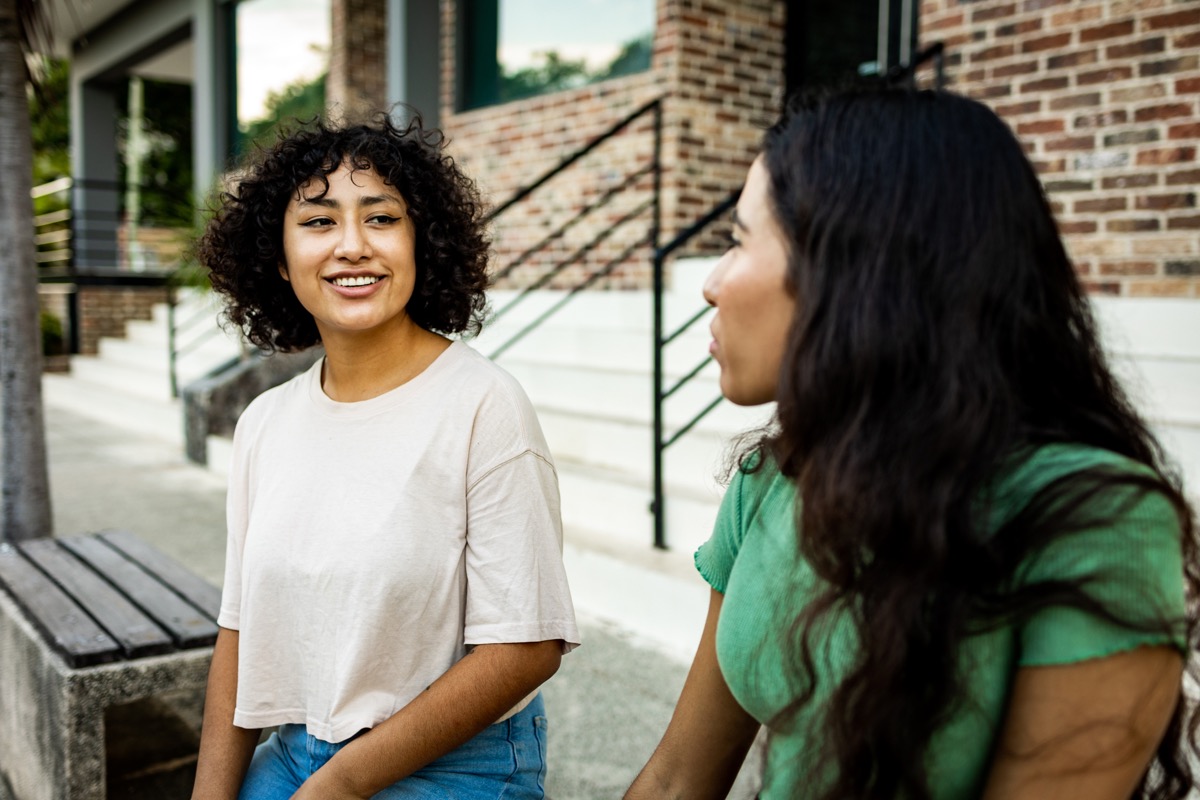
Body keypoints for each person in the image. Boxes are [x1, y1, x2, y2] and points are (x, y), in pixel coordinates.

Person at [626, 88, 1198, 799]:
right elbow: (679, 780)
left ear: (856, 270)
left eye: (738, 240)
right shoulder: (774, 476)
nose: (711, 283)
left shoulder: (1093, 520)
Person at [190, 114, 580, 800]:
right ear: (279, 259)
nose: (351, 246)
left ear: (420, 243)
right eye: (318, 222)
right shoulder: (264, 424)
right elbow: (240, 628)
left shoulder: (484, 405)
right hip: (294, 748)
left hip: (459, 758)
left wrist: (338, 786)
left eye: (381, 218)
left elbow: (526, 646)